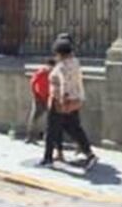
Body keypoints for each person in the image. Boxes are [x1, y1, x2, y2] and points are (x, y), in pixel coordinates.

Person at [39, 38, 97, 170]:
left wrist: (62, 99)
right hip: (75, 100)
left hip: (59, 102)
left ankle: (47, 158)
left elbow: (63, 83)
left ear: (59, 53)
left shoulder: (61, 67)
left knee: (51, 129)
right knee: (74, 128)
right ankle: (89, 153)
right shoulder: (76, 63)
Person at [26, 58, 61, 153]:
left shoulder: (54, 74)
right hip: (39, 98)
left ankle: (47, 137)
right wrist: (35, 94)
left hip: (48, 98)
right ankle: (30, 136)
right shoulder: (42, 72)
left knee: (50, 119)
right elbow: (33, 82)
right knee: (34, 117)